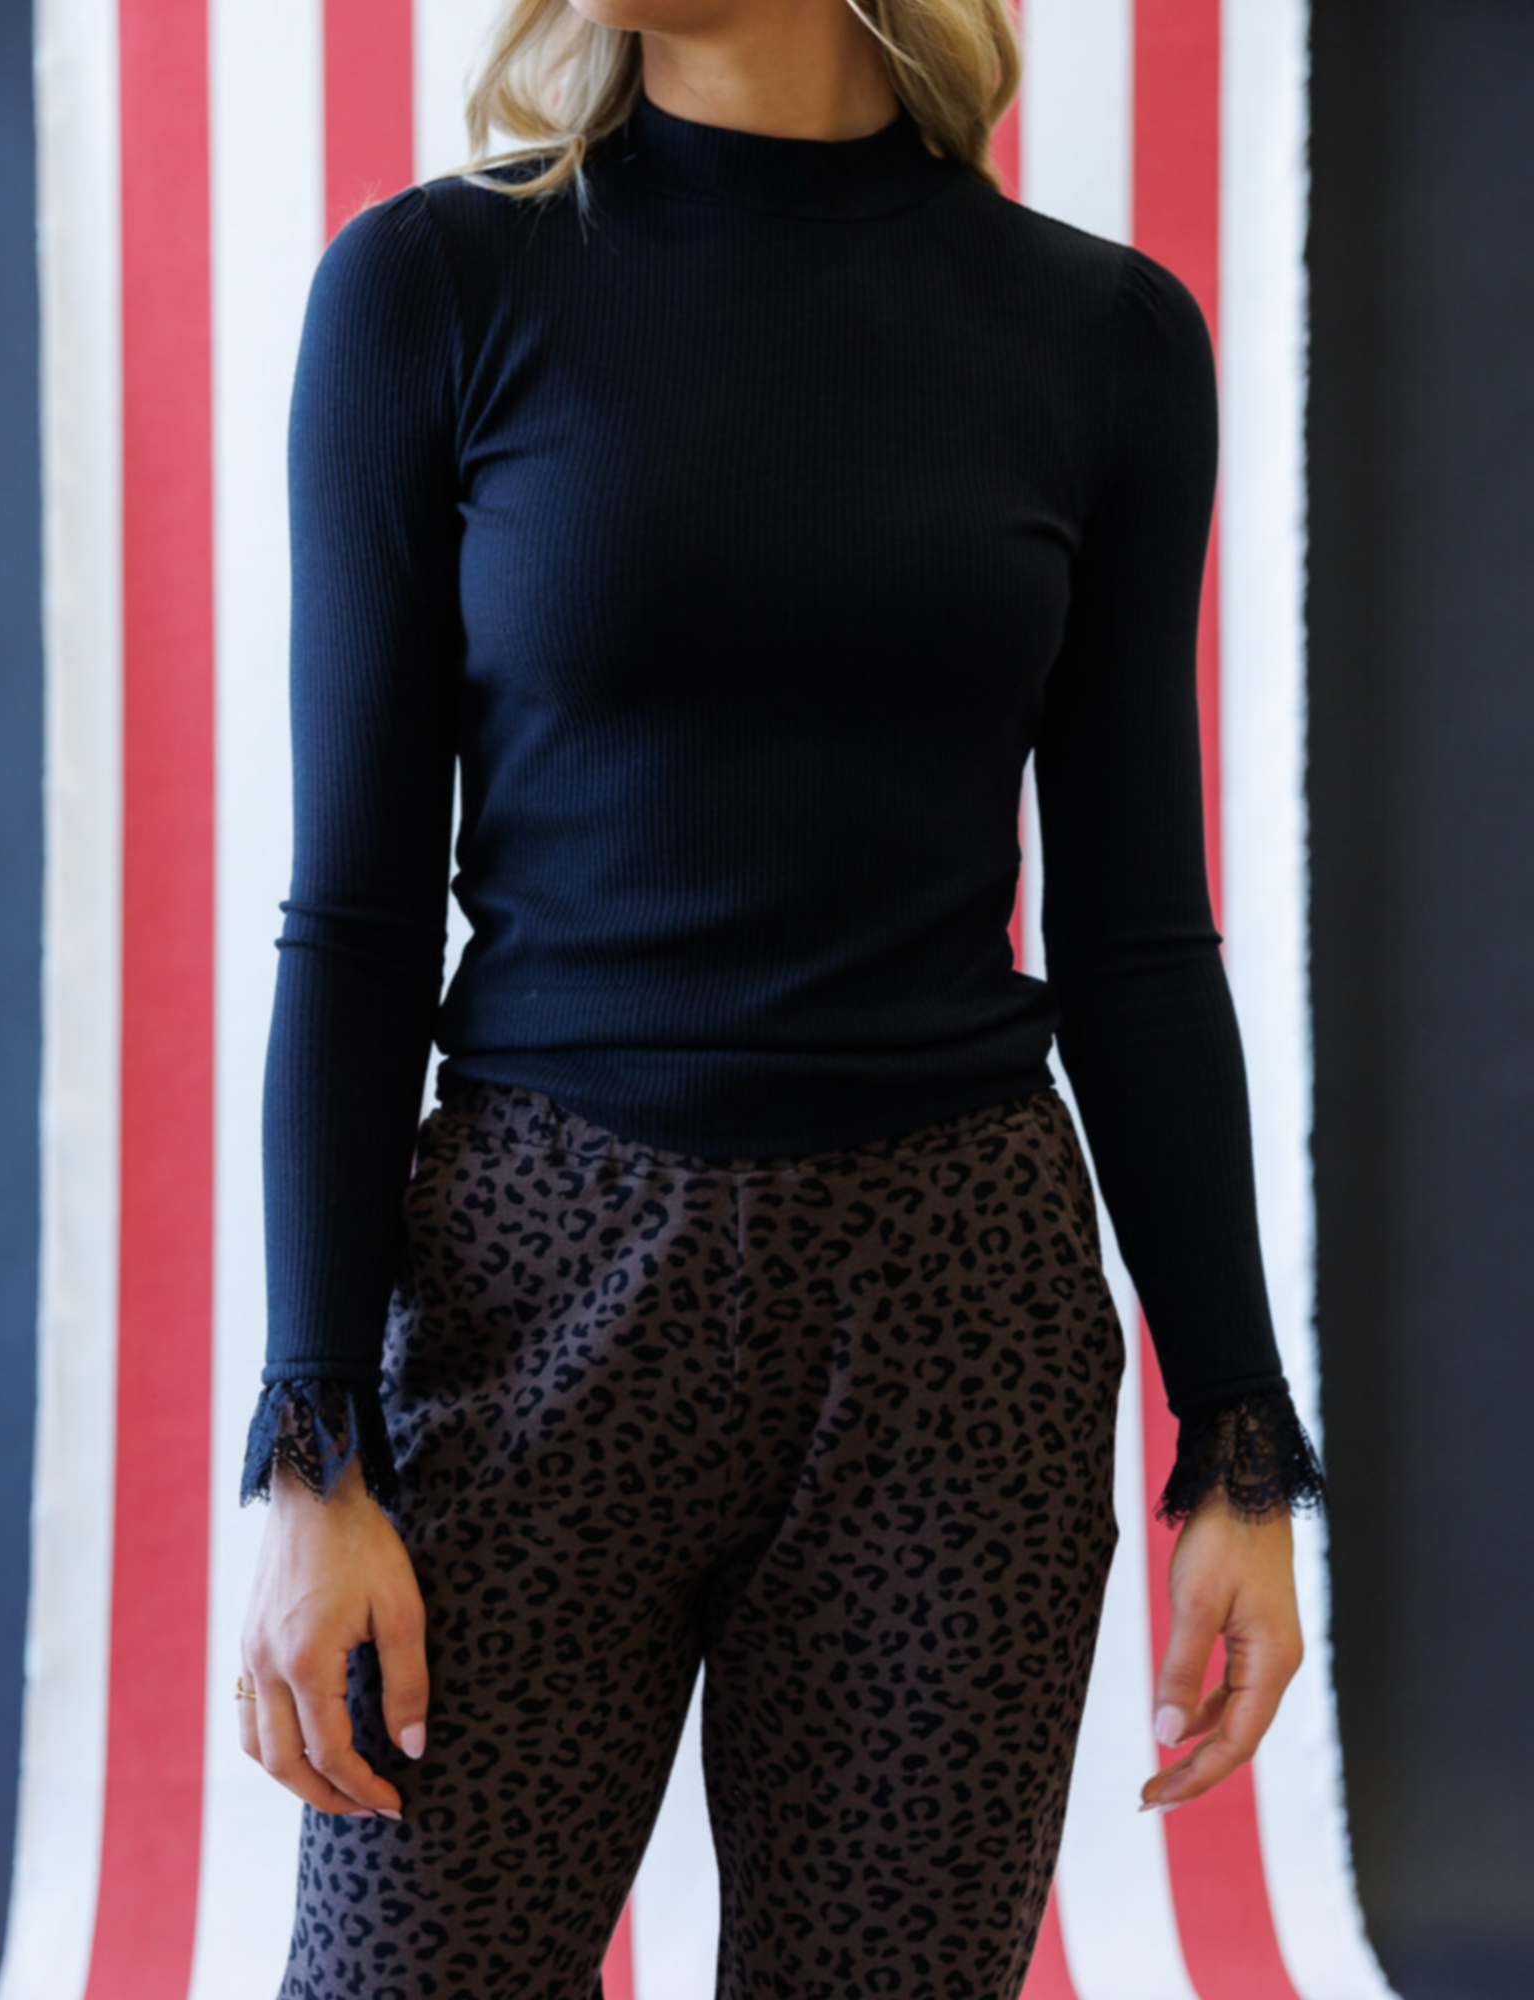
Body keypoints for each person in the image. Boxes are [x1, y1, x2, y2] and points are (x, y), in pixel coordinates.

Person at [235, 0, 1330, 1993]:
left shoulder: (1097, 338)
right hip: (532, 1283)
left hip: (955, 1318)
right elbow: (359, 920)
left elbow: (1138, 944)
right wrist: (310, 1447)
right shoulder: (432, 288)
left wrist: (1236, 1442)